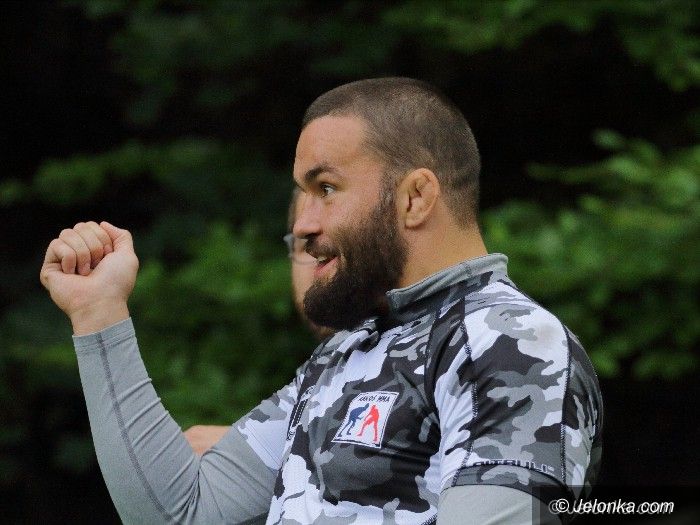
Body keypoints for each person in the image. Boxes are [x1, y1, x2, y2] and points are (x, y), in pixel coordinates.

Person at [40, 78, 602, 524]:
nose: (304, 226)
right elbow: (181, 511)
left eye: (325, 189)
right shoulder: (346, 353)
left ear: (415, 197)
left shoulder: (506, 342)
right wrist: (99, 313)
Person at [184, 189, 333, 456]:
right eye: (305, 244)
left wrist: (254, 456)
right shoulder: (314, 379)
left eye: (331, 242)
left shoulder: (410, 356)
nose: (319, 257)